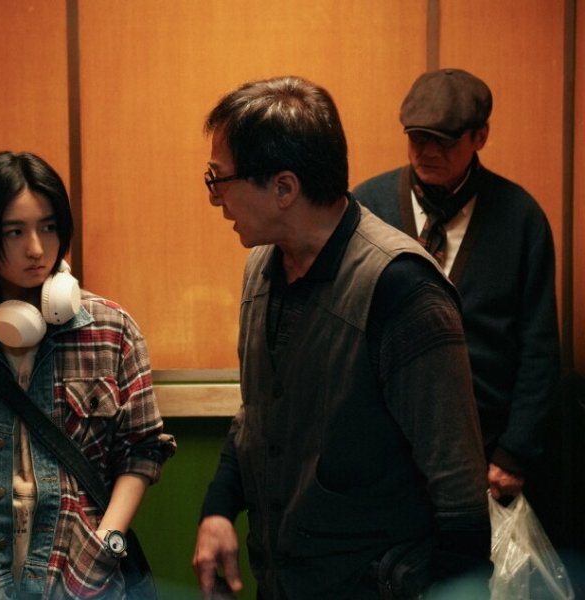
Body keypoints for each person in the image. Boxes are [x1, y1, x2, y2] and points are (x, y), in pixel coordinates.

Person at [191, 76, 491, 599]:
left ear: (284, 188)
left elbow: (458, 485)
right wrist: (219, 508)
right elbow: (257, 414)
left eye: (220, 179)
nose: (216, 198)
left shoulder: (403, 288)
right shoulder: (261, 267)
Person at [0, 151, 175, 599]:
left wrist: (105, 543)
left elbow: (141, 450)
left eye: (48, 227)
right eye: (14, 232)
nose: (36, 248)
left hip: (82, 584)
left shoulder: (111, 332)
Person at [353, 68, 560, 503]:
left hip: (486, 449)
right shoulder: (367, 209)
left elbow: (539, 348)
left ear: (480, 136)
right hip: (385, 448)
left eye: (444, 141)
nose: (427, 151)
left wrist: (515, 452)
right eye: (417, 138)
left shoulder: (521, 217)